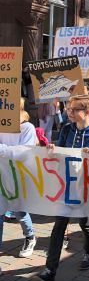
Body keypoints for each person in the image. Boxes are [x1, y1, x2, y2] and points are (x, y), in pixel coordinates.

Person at [36, 95, 89, 281]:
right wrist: (53, 148)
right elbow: (60, 151)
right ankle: (50, 269)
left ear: (86, 112)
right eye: (68, 109)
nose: (69, 112)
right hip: (67, 186)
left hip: (86, 187)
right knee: (58, 226)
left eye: (74, 109)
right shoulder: (67, 129)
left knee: (85, 223)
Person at [0, 99, 38, 259]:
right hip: (2, 173)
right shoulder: (2, 126)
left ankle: (30, 236)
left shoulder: (27, 128)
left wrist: (2, 149)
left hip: (18, 175)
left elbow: (24, 152)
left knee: (19, 209)